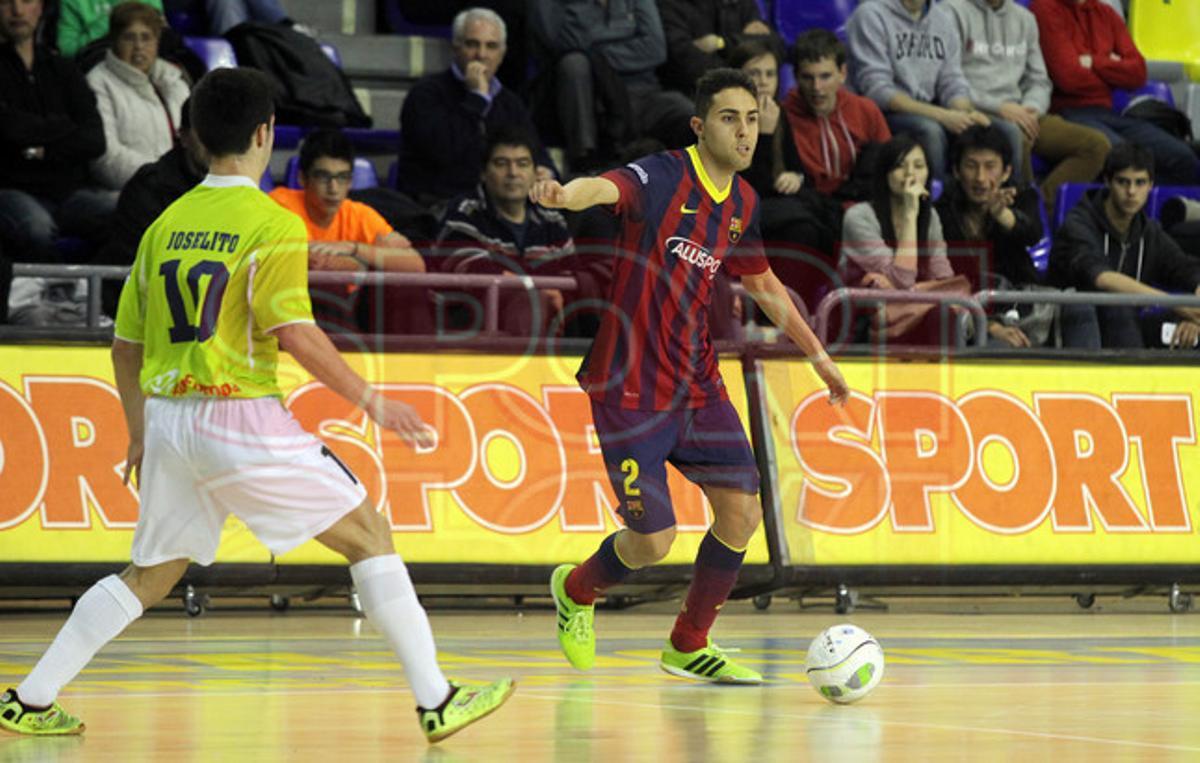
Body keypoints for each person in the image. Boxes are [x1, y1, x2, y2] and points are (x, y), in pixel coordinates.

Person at [0, 67, 514, 742]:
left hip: (168, 413)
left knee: (152, 572)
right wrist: (372, 399)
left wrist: (138, 432)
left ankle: (30, 697)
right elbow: (295, 331)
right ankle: (438, 698)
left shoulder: (164, 223)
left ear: (194, 135)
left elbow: (124, 345)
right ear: (266, 133)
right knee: (369, 533)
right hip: (236, 412)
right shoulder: (271, 223)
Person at [530, 68, 849, 684]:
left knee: (741, 514)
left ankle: (687, 643)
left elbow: (764, 285)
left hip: (698, 385)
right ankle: (575, 589)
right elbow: (606, 188)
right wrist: (567, 195)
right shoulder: (664, 175)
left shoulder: (744, 204)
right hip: (629, 388)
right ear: (701, 126)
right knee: (653, 542)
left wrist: (819, 356)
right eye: (730, 118)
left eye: (753, 119)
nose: (744, 131)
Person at [738, 31, 891, 312]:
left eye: (825, 76)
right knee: (806, 226)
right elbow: (769, 177)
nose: (817, 87)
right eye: (808, 78)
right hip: (813, 207)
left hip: (857, 205)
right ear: (795, 78)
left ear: (843, 73)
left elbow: (890, 166)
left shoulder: (866, 110)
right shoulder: (783, 113)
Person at [936, 124, 1100, 348]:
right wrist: (991, 325)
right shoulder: (942, 210)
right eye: (971, 166)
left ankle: (1086, 382)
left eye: (990, 167)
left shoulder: (1022, 196)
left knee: (1080, 307)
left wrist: (1002, 215)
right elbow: (942, 280)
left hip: (1019, 297)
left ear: (1006, 172)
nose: (980, 178)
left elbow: (1032, 233)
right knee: (1001, 346)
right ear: (956, 171)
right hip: (969, 306)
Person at [435, 126, 607, 337]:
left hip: (549, 330)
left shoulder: (550, 219)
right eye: (501, 163)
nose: (513, 173)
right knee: (529, 302)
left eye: (522, 164)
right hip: (471, 332)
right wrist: (537, 286)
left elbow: (572, 277)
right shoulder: (465, 212)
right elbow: (471, 272)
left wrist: (535, 285)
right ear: (483, 172)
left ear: (536, 173)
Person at [943, 0, 1110, 216]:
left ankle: (1038, 211)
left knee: (1096, 145)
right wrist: (1000, 107)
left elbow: (1039, 80)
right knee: (1016, 137)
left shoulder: (1025, 19)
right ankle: (1022, 216)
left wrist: (1031, 109)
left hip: (1023, 111)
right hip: (976, 110)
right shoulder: (951, 11)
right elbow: (949, 81)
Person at [270, 128, 425, 332]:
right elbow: (316, 263)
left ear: (351, 181)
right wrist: (367, 262)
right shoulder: (280, 204)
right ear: (302, 178)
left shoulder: (359, 214)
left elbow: (416, 265)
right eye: (323, 177)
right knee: (326, 284)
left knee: (402, 287)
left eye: (342, 177)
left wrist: (354, 249)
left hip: (353, 310)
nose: (333, 188)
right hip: (296, 313)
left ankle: (415, 359)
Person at [1031, 0, 1200, 186]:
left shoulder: (1106, 13)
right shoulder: (1045, 8)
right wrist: (1114, 68)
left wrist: (1094, 62)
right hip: (1067, 114)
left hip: (1109, 113)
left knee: (1185, 160)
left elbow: (1138, 74)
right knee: (1123, 161)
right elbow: (1068, 78)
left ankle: (1143, 205)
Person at [398, 7, 553, 207]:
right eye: (472, 44)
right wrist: (476, 99)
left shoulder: (509, 102)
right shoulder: (425, 94)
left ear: (502, 53)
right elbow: (444, 153)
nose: (481, 54)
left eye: (491, 46)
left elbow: (536, 149)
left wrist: (544, 170)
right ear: (455, 47)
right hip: (440, 205)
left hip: (498, 208)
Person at [1049, 143, 1200, 349]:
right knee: (1117, 308)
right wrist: (1176, 304)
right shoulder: (1078, 222)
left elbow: (1188, 270)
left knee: (1182, 330)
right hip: (1072, 319)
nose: (1131, 192)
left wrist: (1194, 317)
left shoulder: (1148, 231)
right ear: (1107, 181)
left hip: (1124, 321)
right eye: (1123, 182)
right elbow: (1102, 278)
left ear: (1150, 185)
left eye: (1140, 183)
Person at [0, 0, 109, 262]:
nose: (17, 11)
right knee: (36, 227)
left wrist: (38, 149)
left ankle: (105, 299)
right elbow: (7, 129)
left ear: (40, 8)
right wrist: (64, 126)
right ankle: (55, 299)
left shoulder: (63, 69)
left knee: (128, 210)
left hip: (70, 193)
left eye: (26, 1)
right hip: (11, 190)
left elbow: (94, 140)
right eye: (7, 2)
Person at [529, 0, 695, 171]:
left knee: (691, 117)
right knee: (574, 63)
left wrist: (596, 54)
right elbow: (567, 43)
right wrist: (624, 40)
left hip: (644, 92)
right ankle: (584, 162)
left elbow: (654, 50)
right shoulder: (551, 5)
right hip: (591, 98)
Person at [846, 0, 990, 182]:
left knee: (1002, 130)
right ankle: (932, 203)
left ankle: (1004, 205)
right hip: (882, 113)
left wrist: (966, 112)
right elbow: (877, 90)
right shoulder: (870, 14)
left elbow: (952, 80)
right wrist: (943, 116)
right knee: (929, 131)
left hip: (929, 110)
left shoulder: (942, 20)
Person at [839, 135, 961, 344]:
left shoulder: (929, 217)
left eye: (919, 166)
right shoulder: (859, 217)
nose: (910, 174)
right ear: (885, 174)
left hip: (914, 312)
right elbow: (900, 279)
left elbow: (942, 277)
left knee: (946, 315)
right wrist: (909, 215)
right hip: (867, 320)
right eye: (900, 166)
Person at [95, 94, 206, 316]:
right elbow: (140, 272)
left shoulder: (238, 189)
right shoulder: (149, 188)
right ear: (183, 137)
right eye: (203, 132)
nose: (214, 142)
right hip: (146, 317)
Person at [86, 1, 190, 190]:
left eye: (146, 37)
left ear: (157, 41)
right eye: (129, 38)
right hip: (126, 192)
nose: (138, 47)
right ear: (114, 41)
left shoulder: (175, 81)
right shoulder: (97, 83)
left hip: (178, 188)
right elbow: (106, 158)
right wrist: (161, 179)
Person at [656, 0, 775, 94]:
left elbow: (774, 45)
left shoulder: (739, 3)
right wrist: (739, 72)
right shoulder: (670, 4)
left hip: (741, 85)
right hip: (695, 93)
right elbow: (686, 63)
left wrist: (721, 43)